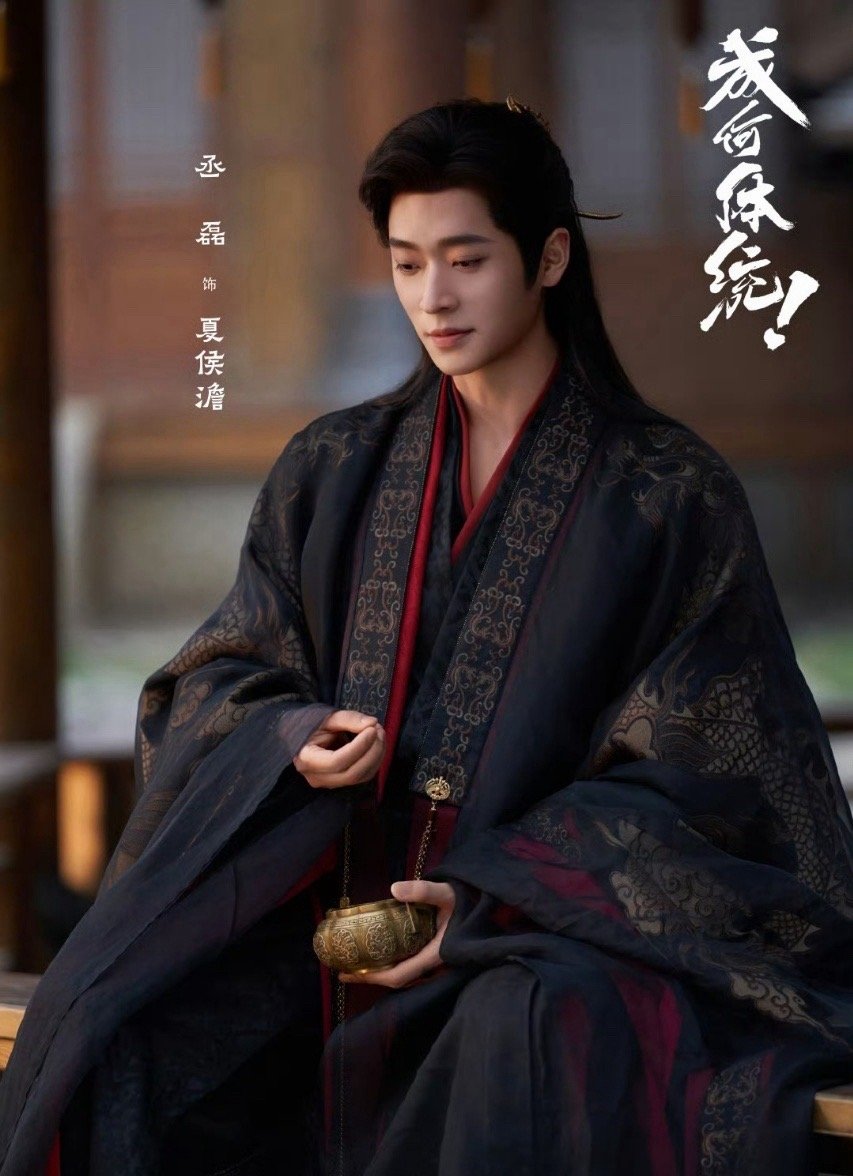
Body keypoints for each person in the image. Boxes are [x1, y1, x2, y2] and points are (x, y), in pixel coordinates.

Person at [1, 96, 851, 1176]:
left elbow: (717, 770)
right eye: (406, 264)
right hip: (323, 920)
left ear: (548, 259)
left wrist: (495, 900)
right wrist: (286, 737)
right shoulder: (333, 468)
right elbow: (218, 674)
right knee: (119, 1020)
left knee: (520, 1035)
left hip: (538, 941)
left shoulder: (666, 494)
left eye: (466, 260)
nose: (432, 298)